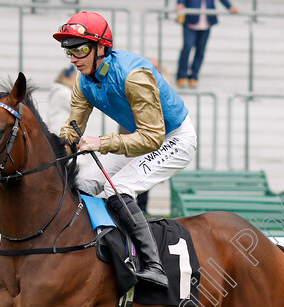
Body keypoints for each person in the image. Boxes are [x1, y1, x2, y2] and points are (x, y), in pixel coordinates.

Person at [53, 11, 197, 288]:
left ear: (102, 47)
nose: (73, 58)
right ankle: (94, 250)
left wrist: (102, 142)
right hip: (138, 137)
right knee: (83, 184)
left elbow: (153, 137)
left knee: (117, 189)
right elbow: (71, 128)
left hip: (173, 139)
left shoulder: (133, 76)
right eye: (68, 50)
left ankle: (153, 265)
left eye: (80, 49)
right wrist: (53, 146)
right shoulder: (83, 81)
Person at [176, 0, 240, 88]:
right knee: (187, 47)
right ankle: (182, 75)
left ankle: (194, 76)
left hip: (206, 21)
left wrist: (230, 7)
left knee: (200, 50)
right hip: (190, 20)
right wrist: (180, 4)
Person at [46, 65, 78, 134]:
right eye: (74, 79)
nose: (76, 83)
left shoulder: (58, 91)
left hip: (57, 130)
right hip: (59, 131)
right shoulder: (63, 92)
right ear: (66, 79)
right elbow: (77, 105)